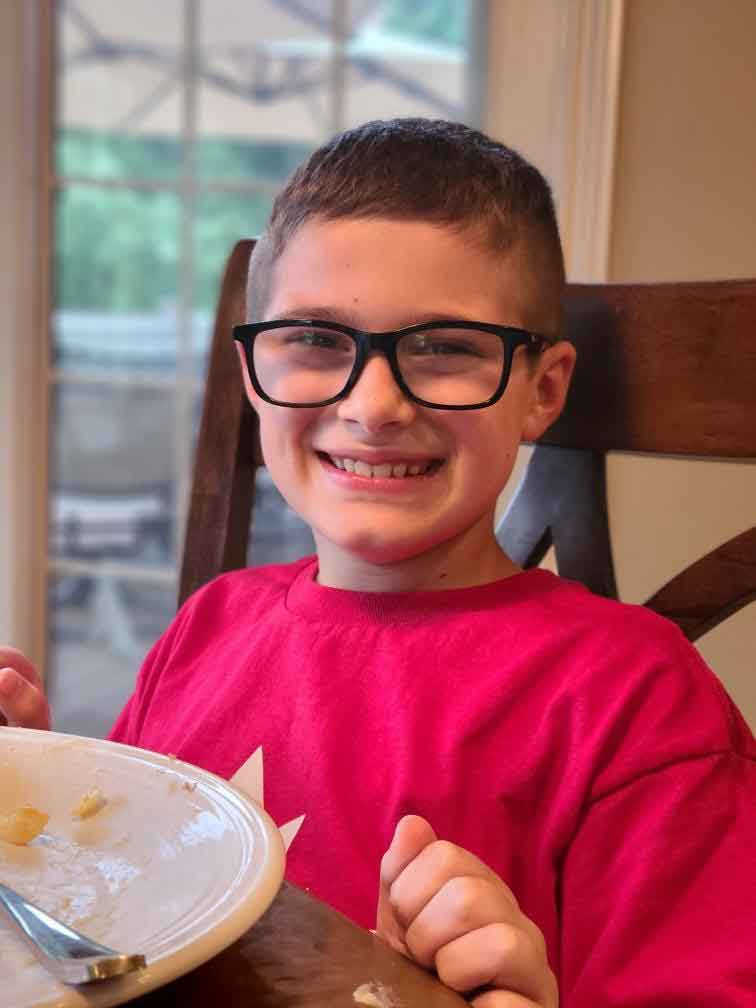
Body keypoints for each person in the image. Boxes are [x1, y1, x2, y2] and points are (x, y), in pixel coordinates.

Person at [1, 118, 754, 1007]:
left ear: (542, 389)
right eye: (316, 342)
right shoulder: (210, 624)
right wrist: (35, 804)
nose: (374, 405)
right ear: (254, 372)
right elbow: (115, 911)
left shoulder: (638, 703)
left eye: (445, 350)